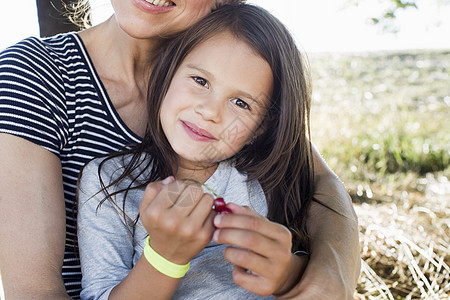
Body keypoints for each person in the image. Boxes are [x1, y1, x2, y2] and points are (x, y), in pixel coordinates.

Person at [0, 0, 360, 299]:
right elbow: (34, 292)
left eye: (240, 103)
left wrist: (318, 274)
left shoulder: (226, 61)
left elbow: (321, 184)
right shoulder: (34, 77)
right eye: (200, 81)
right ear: (174, 74)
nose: (209, 112)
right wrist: (166, 258)